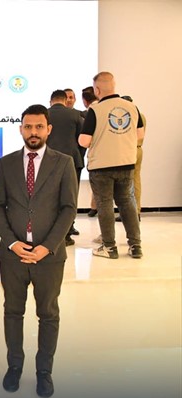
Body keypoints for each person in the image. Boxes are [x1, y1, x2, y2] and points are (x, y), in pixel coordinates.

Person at [0, 104, 77, 398]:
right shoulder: (6, 164)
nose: (33, 132)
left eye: (39, 127)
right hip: (12, 255)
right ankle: (14, 366)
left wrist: (47, 247)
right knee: (13, 312)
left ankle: (44, 371)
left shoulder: (63, 163)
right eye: (28, 127)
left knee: (48, 314)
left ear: (48, 129)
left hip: (48, 257)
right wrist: (12, 242)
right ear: (21, 129)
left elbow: (68, 208)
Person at [78, 72, 145, 259]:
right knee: (127, 203)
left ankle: (109, 247)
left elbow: (84, 141)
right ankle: (135, 246)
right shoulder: (132, 107)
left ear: (97, 90)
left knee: (105, 204)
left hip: (101, 166)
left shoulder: (95, 110)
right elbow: (140, 135)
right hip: (126, 163)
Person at [47, 89, 83, 245]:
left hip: (48, 162)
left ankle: (51, 233)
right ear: (64, 100)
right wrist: (78, 155)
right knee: (69, 197)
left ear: (51, 101)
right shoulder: (76, 115)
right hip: (72, 161)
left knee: (49, 197)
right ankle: (67, 233)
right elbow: (82, 140)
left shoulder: (44, 115)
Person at [115, 95, 145, 222]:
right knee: (136, 181)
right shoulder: (141, 115)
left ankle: (127, 213)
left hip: (128, 151)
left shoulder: (125, 117)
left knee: (125, 184)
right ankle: (136, 211)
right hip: (138, 149)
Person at [81, 87, 100, 217]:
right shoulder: (105, 110)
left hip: (96, 156)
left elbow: (84, 140)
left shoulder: (91, 112)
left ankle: (95, 207)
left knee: (99, 188)